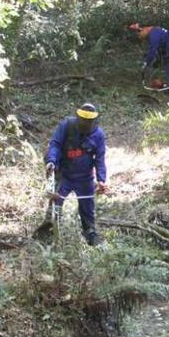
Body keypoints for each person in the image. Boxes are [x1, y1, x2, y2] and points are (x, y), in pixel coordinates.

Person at [43, 103, 108, 246]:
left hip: (84, 177)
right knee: (55, 205)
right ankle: (49, 231)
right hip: (64, 174)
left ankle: (90, 232)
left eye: (88, 121)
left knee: (87, 207)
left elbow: (100, 158)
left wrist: (101, 180)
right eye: (83, 120)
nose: (85, 124)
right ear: (78, 117)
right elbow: (55, 144)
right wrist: (51, 161)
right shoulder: (67, 126)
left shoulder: (98, 135)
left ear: (94, 121)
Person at [129, 23, 169, 94]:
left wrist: (146, 62)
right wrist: (157, 60)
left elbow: (152, 51)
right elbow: (159, 49)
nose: (139, 37)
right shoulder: (155, 31)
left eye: (139, 34)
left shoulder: (153, 35)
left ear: (144, 29)